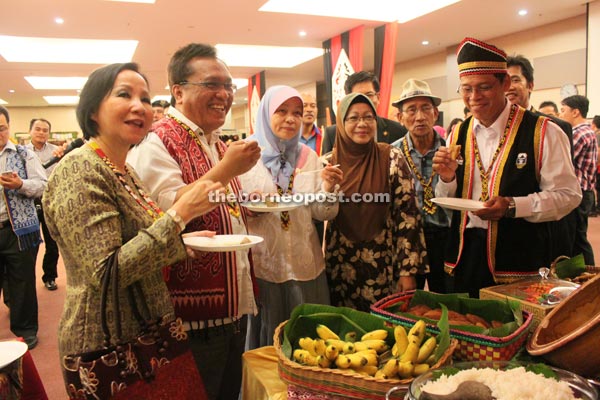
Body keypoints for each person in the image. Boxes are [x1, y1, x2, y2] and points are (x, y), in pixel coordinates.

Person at [43, 62, 218, 398]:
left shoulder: (123, 169)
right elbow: (106, 272)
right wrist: (179, 215)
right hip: (108, 346)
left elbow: (137, 243)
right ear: (93, 110)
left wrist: (179, 240)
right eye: (124, 94)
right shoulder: (79, 169)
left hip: (150, 334)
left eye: (146, 98)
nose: (140, 106)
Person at [127, 43, 260, 400]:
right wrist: (228, 169)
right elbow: (169, 213)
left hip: (232, 305)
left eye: (229, 86)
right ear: (178, 91)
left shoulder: (213, 141)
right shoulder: (157, 141)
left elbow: (219, 205)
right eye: (212, 85)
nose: (224, 95)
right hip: (191, 317)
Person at [432, 37, 581, 298]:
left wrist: (513, 206)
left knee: (517, 331)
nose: (474, 97)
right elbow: (447, 200)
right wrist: (447, 179)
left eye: (484, 87)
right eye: (466, 89)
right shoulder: (458, 133)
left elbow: (568, 196)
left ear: (505, 83)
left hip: (520, 259)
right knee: (468, 330)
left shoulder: (543, 131)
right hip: (464, 257)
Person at [239, 85, 342, 348]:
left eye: (297, 112)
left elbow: (320, 213)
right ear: (265, 114)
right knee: (268, 347)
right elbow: (228, 211)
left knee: (309, 345)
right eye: (281, 111)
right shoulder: (244, 156)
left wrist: (328, 189)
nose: (291, 118)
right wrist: (245, 208)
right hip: (265, 267)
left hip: (304, 264)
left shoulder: (309, 157)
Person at [325, 92, 428, 312]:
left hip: (384, 265)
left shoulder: (391, 157)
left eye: (368, 117)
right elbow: (318, 212)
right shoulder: (329, 164)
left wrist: (407, 272)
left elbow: (408, 217)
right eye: (353, 118)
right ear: (341, 124)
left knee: (385, 333)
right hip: (340, 267)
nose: (362, 124)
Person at [505, 54, 576, 259]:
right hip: (506, 234)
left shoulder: (553, 127)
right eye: (505, 80)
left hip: (545, 231)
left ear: (531, 85)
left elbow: (565, 188)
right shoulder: (494, 130)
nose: (509, 86)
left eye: (516, 79)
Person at [392, 79, 452, 293]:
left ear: (435, 113)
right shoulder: (392, 154)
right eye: (411, 110)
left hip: (446, 235)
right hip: (409, 241)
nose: (419, 117)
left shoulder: (450, 150)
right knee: (409, 302)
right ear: (400, 118)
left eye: (425, 108)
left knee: (448, 299)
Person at [0, 106, 46, 350]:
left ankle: (26, 331)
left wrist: (20, 184)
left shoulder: (23, 154)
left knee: (23, 282)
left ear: (9, 127)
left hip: (17, 230)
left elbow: (42, 185)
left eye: (2, 128)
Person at [321, 71, 407, 155]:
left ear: (378, 98)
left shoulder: (398, 131)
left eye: (369, 95)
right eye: (357, 96)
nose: (365, 100)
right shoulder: (332, 134)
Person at [559, 95, 597, 265]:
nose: (561, 114)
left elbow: (561, 158)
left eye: (563, 110)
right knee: (578, 237)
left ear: (575, 112)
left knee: (577, 240)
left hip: (579, 193)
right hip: (585, 192)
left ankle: (588, 277)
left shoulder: (579, 133)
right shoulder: (588, 131)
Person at [26, 118, 61, 291]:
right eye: (37, 129)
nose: (41, 132)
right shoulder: (22, 152)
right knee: (29, 246)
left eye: (45, 130)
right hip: (28, 202)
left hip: (50, 202)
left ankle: (50, 276)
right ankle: (26, 281)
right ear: (30, 131)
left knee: (52, 242)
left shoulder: (57, 152)